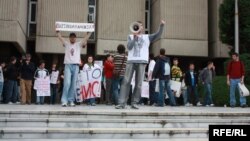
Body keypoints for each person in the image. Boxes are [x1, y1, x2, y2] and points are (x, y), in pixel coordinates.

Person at [116, 20, 165, 109]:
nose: (139, 27)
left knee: (138, 83)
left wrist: (161, 26)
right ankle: (122, 103)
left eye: (141, 26)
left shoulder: (147, 37)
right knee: (126, 81)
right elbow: (129, 47)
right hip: (131, 61)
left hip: (142, 61)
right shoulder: (130, 36)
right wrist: (135, 37)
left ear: (142, 28)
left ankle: (134, 102)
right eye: (137, 26)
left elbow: (158, 35)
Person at [56, 30, 92, 107]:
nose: (72, 38)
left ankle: (71, 100)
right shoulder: (66, 44)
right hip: (68, 65)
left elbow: (85, 39)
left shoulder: (78, 44)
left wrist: (89, 32)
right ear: (69, 38)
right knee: (67, 83)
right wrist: (58, 32)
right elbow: (60, 38)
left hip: (76, 66)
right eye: (71, 37)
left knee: (73, 84)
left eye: (74, 37)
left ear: (75, 38)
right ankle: (64, 101)